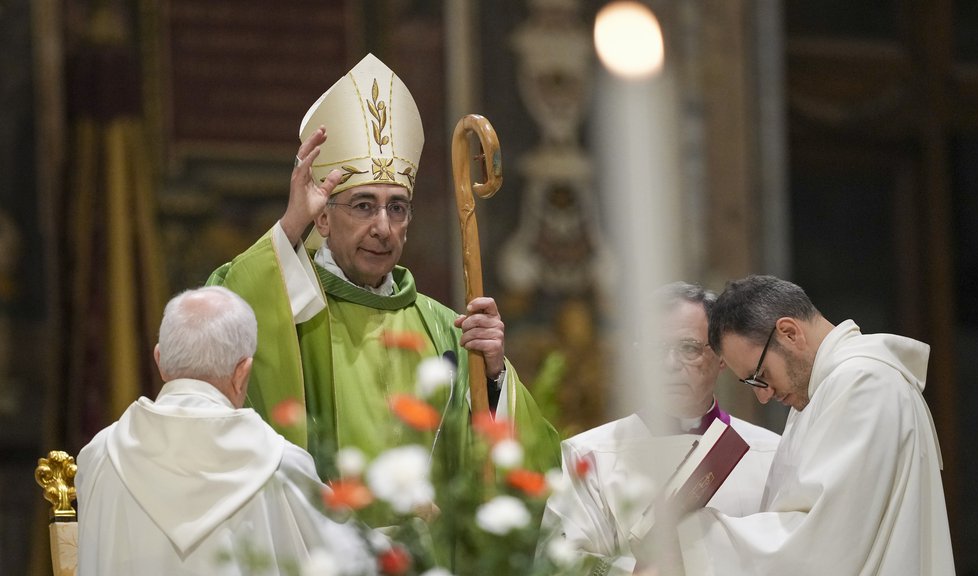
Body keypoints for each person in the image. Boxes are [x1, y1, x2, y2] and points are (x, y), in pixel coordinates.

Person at [206, 54, 559, 514]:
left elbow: (528, 463)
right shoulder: (294, 307)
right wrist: (290, 226)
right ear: (324, 219)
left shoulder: (445, 327)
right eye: (363, 206)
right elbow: (219, 320)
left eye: (397, 208)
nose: (383, 227)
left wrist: (493, 375)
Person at [75, 287, 376, 575]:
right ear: (242, 372)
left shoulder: (99, 456)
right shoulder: (278, 465)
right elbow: (361, 560)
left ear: (160, 361)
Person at [666, 274, 955, 575]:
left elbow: (822, 544)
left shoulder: (864, 385)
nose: (763, 396)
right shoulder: (824, 391)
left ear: (790, 333)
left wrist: (692, 537)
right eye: (750, 383)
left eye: (760, 374)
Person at [539, 282, 779, 575]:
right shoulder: (587, 456)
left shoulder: (771, 453)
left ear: (721, 358)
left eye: (689, 348)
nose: (669, 364)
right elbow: (558, 562)